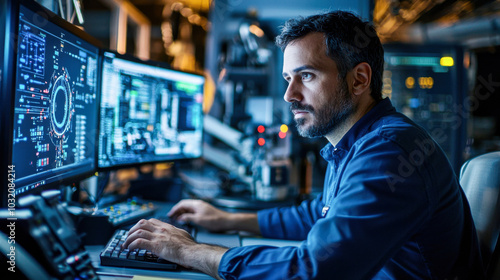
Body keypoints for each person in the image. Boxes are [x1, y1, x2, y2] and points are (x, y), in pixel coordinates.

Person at [123, 11, 485, 279]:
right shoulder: (358, 143)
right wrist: (227, 219)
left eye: (306, 76)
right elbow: (321, 214)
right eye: (287, 78)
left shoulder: (389, 152)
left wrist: (192, 251)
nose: (289, 95)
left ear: (359, 79)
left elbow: (317, 270)